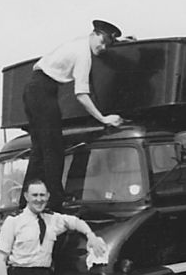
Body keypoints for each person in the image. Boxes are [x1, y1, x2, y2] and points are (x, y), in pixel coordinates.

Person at [20, 20, 125, 211]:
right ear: (93, 34)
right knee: (54, 148)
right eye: (101, 42)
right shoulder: (83, 55)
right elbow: (81, 95)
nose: (102, 48)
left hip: (33, 89)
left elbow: (101, 42)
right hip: (44, 92)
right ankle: (55, 202)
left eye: (107, 45)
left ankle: (24, 202)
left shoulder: (79, 43)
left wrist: (122, 40)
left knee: (39, 150)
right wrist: (103, 118)